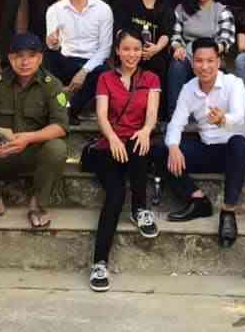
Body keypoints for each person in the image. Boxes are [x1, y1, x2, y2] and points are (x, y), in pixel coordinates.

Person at [0, 32, 68, 229]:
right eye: (19, 56)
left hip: (33, 152)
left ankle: (38, 206)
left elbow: (60, 126)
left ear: (40, 58)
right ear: (10, 58)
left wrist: (28, 138)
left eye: (31, 56)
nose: (25, 62)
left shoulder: (52, 85)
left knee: (57, 148)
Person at [86, 28, 161, 292]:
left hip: (135, 144)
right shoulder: (105, 78)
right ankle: (99, 263)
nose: (131, 54)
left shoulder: (151, 78)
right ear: (117, 51)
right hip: (108, 147)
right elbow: (102, 115)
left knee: (140, 146)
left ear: (143, 51)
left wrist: (146, 130)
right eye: (126, 49)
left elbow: (151, 113)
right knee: (115, 195)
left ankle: (140, 209)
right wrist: (113, 138)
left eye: (136, 49)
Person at [162, 38, 245, 248]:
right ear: (192, 63)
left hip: (234, 154)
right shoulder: (188, 88)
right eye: (199, 61)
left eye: (210, 61)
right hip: (207, 149)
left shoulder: (233, 84)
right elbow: (176, 123)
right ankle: (197, 199)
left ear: (218, 62)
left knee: (239, 143)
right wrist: (173, 147)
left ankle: (228, 211)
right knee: (161, 149)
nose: (204, 67)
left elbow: (239, 116)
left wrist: (223, 119)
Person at [45, 0, 113, 125]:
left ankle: (70, 110)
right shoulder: (54, 10)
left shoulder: (103, 9)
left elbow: (105, 49)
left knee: (103, 74)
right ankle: (60, 105)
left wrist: (83, 72)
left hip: (93, 62)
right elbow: (53, 44)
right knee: (46, 61)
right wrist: (52, 42)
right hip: (66, 59)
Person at [167, 0, 236, 118]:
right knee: (177, 64)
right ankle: (175, 117)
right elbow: (175, 35)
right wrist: (178, 47)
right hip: (188, 56)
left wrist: (207, 55)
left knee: (210, 66)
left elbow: (226, 40)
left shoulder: (222, 11)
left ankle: (213, 117)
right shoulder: (182, 9)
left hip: (212, 56)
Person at [111, 0, 175, 83]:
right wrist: (134, 50)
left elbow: (166, 33)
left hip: (154, 58)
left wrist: (156, 48)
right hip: (129, 56)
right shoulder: (126, 2)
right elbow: (119, 30)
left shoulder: (166, 7)